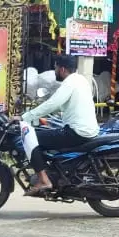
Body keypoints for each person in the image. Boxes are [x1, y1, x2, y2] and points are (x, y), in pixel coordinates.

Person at [18, 54, 100, 195]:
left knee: (30, 136)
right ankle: (54, 171)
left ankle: (44, 180)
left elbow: (53, 103)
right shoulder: (81, 80)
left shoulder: (69, 83)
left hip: (76, 132)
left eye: (55, 67)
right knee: (46, 134)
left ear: (62, 69)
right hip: (87, 130)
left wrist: (24, 117)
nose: (55, 70)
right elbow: (62, 105)